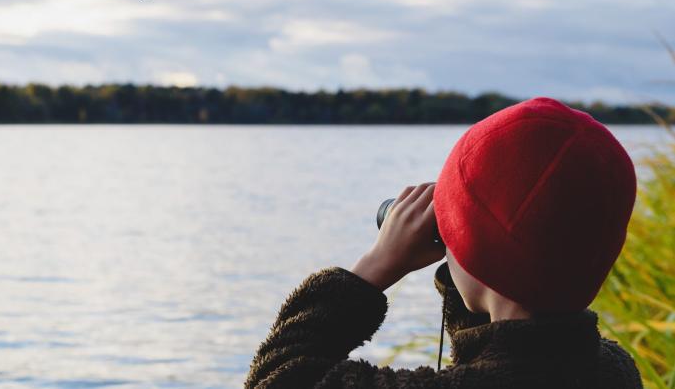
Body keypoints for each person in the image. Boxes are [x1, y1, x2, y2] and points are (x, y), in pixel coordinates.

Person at [244, 98, 643, 389]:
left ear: (475, 250)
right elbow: (504, 357)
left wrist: (376, 264)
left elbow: (278, 376)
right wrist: (472, 262)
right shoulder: (615, 370)